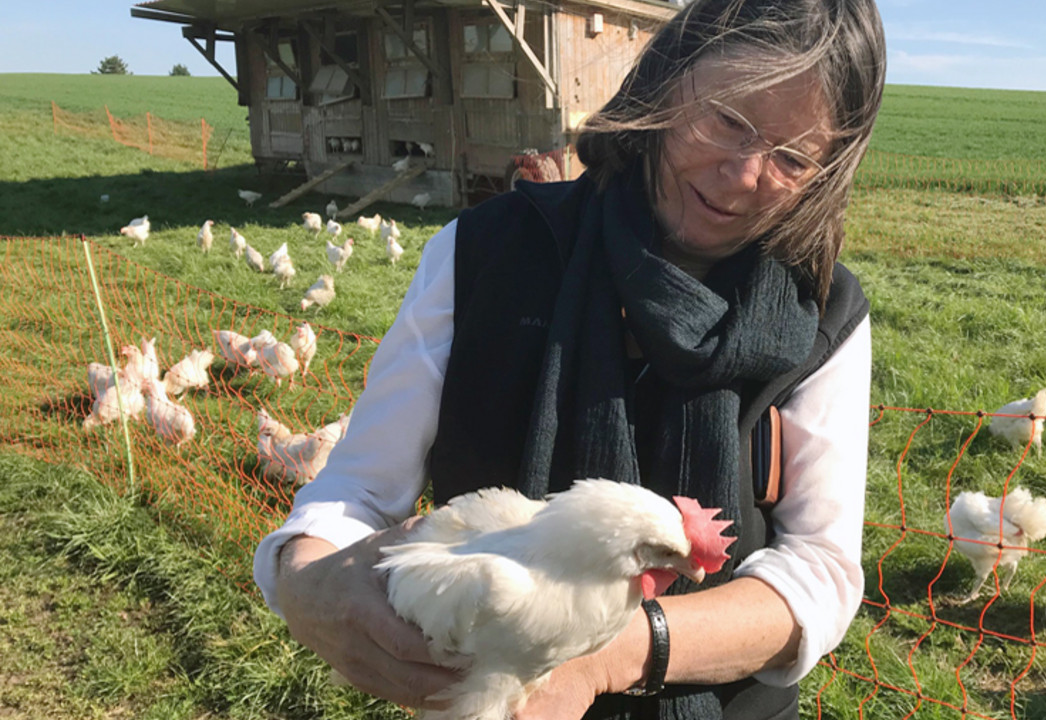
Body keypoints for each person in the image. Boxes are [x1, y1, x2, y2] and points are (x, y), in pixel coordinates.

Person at [252, 0, 886, 718]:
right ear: (667, 85)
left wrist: (608, 654)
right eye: (729, 118)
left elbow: (821, 570)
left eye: (792, 157)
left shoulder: (821, 311)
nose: (744, 173)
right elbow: (359, 492)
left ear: (828, 172)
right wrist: (305, 577)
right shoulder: (485, 255)